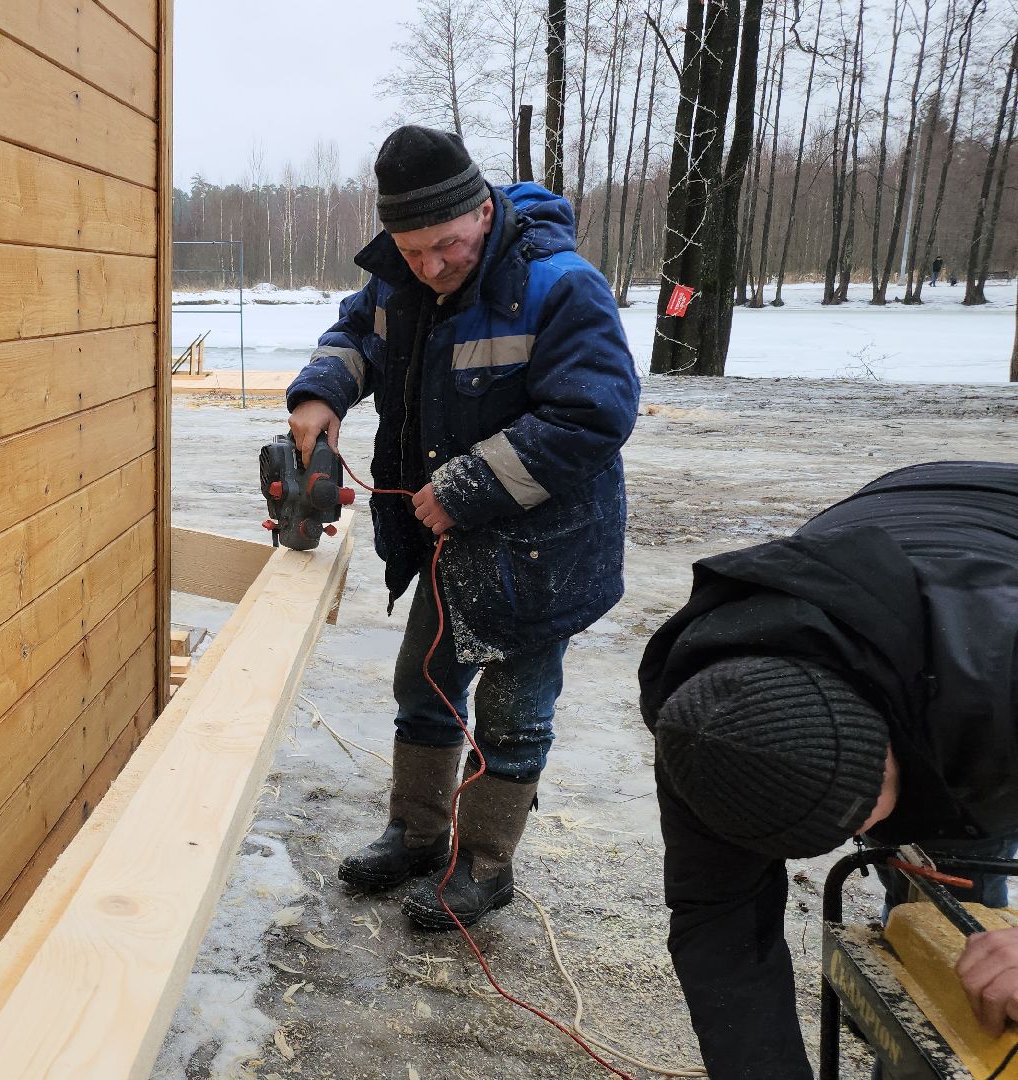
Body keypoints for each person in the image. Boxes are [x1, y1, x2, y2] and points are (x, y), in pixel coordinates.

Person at [284, 126, 639, 930]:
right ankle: (415, 833)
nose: (432, 267)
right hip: (449, 544)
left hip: (541, 551)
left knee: (515, 712)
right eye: (412, 252)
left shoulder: (558, 286)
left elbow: (595, 415)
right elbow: (352, 339)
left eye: (446, 246)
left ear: (484, 211)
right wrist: (320, 396)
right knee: (426, 686)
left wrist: (471, 486)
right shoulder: (397, 281)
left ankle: (484, 864)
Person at [638, 461, 1018, 1079]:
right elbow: (718, 920)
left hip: (992, 547)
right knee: (932, 889)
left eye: (859, 813)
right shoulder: (712, 727)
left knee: (969, 869)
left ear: (894, 736)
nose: (853, 841)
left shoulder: (998, 674)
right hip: (900, 545)